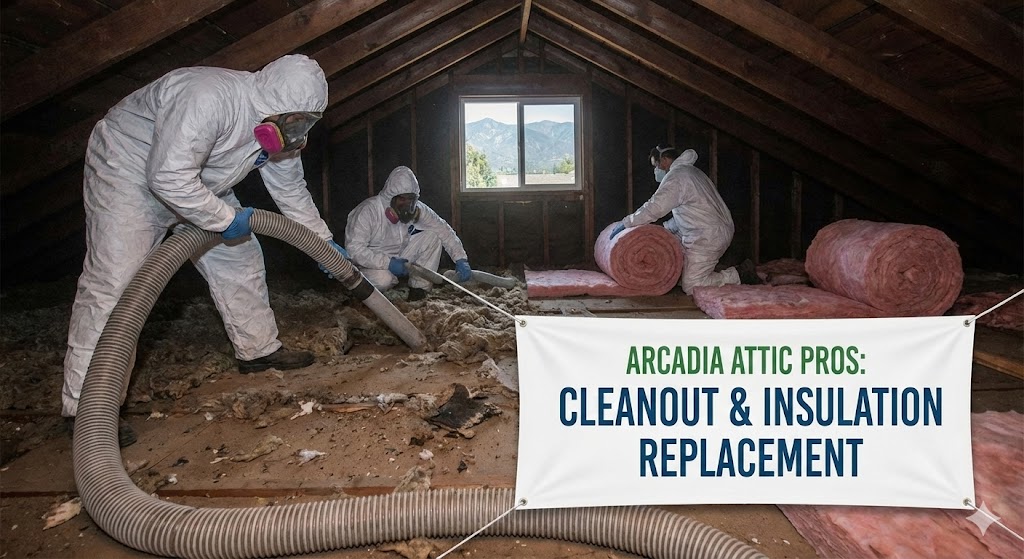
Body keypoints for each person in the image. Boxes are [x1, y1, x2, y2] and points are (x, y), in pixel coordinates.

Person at [62, 54, 350, 447]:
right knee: (116, 285)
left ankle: (258, 350)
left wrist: (321, 242)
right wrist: (222, 218)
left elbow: (290, 191)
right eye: (295, 122)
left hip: (200, 184)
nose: (299, 134)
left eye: (308, 123)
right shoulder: (208, 96)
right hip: (129, 174)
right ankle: (86, 407)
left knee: (241, 258)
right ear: (270, 107)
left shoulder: (280, 130)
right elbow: (166, 175)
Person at [609, 145, 760, 294]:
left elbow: (655, 206)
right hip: (707, 228)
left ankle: (738, 275)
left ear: (665, 159)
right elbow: (690, 211)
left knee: (692, 285)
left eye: (656, 165)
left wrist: (627, 222)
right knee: (671, 248)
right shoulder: (690, 172)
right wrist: (665, 229)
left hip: (707, 235)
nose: (656, 170)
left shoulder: (678, 176)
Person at [345, 166, 473, 301]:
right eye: (403, 199)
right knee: (384, 279)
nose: (408, 205)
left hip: (399, 256)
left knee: (432, 237)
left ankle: (418, 290)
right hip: (368, 263)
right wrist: (387, 263)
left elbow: (443, 229)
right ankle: (359, 294)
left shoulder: (418, 209)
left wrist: (460, 258)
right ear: (391, 198)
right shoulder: (368, 211)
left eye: (412, 199)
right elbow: (354, 250)